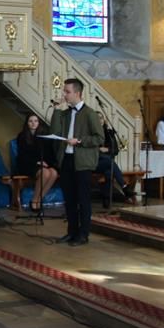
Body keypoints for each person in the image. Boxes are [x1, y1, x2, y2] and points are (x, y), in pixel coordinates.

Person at [50, 78, 104, 246]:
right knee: (70, 198)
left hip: (82, 162)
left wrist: (79, 141)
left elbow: (99, 138)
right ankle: (71, 232)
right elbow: (55, 132)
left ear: (78, 93)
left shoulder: (90, 114)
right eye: (64, 91)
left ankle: (83, 234)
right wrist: (56, 110)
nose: (64, 95)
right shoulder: (66, 113)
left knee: (83, 199)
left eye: (67, 92)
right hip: (67, 159)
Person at [15, 114, 58, 212]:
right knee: (45, 173)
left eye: (36, 121)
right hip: (27, 164)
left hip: (42, 164)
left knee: (54, 173)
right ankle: (34, 200)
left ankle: (39, 199)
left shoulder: (43, 135)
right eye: (31, 121)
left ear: (39, 123)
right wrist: (38, 162)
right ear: (27, 123)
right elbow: (23, 155)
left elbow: (48, 153)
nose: (33, 123)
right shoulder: (22, 136)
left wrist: (47, 163)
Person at [95, 113, 135, 204]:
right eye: (97, 118)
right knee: (110, 162)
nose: (99, 120)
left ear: (104, 120)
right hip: (95, 163)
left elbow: (116, 150)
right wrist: (99, 150)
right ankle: (124, 187)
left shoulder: (109, 133)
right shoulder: (91, 132)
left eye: (101, 118)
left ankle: (106, 199)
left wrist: (108, 149)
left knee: (109, 172)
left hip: (107, 163)